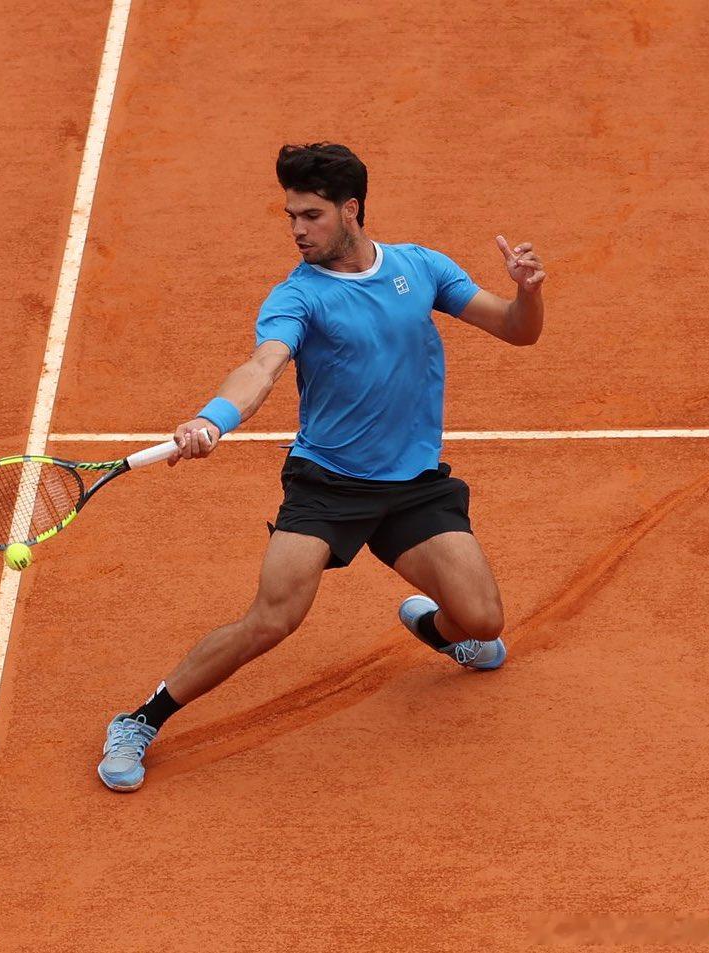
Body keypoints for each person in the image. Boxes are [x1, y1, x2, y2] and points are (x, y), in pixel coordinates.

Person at [98, 142, 545, 791]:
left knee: (483, 625)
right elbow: (262, 367)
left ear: (350, 209)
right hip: (328, 483)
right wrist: (211, 419)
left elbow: (517, 329)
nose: (298, 230)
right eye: (291, 216)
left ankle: (434, 625)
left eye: (311, 215)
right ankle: (140, 719)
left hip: (413, 486)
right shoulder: (298, 296)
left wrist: (527, 293)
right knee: (272, 619)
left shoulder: (420, 268)